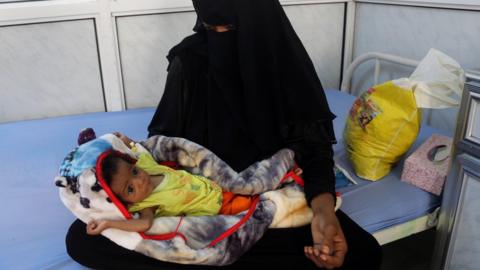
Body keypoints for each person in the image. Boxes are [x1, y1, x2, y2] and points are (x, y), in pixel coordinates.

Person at [65, 0, 382, 269]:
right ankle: (221, 252)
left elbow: (314, 152)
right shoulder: (189, 62)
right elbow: (164, 143)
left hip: (265, 198)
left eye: (230, 30)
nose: (218, 39)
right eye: (209, 27)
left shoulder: (283, 62)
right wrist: (133, 152)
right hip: (196, 199)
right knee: (81, 241)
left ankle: (216, 254)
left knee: (363, 253)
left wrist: (323, 216)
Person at [86, 132, 297, 235]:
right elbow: (144, 224)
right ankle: (288, 185)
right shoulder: (148, 204)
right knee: (256, 205)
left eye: (134, 171)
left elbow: (138, 151)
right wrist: (109, 223)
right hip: (220, 207)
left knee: (250, 181)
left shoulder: (148, 167)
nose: (140, 181)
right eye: (130, 189)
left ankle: (284, 165)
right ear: (127, 202)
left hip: (218, 185)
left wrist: (126, 140)